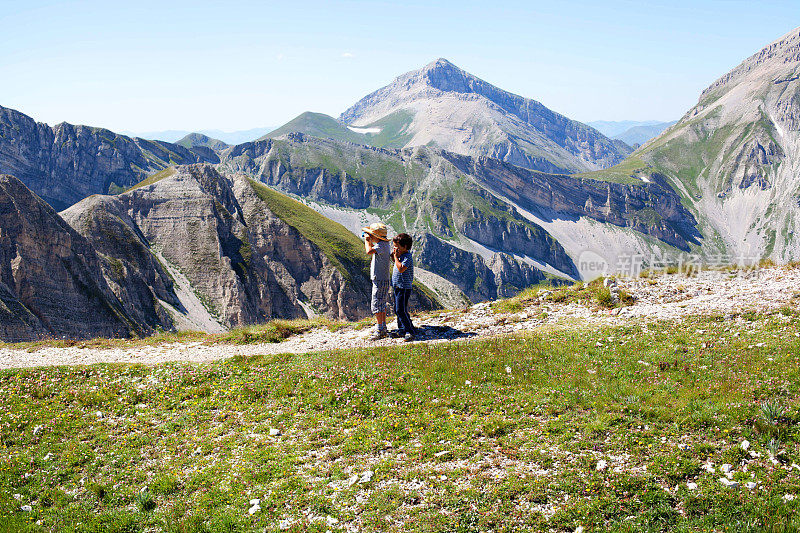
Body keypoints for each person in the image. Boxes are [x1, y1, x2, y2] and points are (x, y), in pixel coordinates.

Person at [362, 222, 391, 340]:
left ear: (375, 236)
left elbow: (368, 251)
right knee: (381, 303)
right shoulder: (385, 244)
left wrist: (367, 240)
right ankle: (383, 326)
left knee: (376, 304)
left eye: (370, 235)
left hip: (379, 278)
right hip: (382, 278)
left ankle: (380, 329)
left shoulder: (381, 246)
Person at [390, 233, 416, 341]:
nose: (395, 248)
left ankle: (409, 331)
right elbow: (396, 263)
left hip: (404, 287)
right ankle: (402, 329)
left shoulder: (407, 257)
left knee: (400, 310)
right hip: (397, 286)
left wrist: (396, 257)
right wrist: (394, 256)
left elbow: (401, 268)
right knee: (399, 309)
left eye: (397, 246)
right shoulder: (401, 256)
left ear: (405, 247)